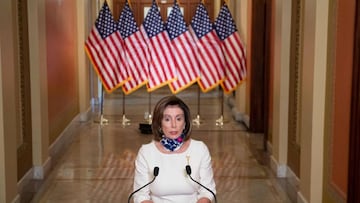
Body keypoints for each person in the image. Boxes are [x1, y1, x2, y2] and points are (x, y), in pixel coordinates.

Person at [132, 95, 216, 203]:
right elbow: (141, 195)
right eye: (167, 119)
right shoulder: (146, 152)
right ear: (159, 124)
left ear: (185, 123)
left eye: (178, 119)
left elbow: (207, 191)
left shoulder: (200, 149)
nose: (174, 125)